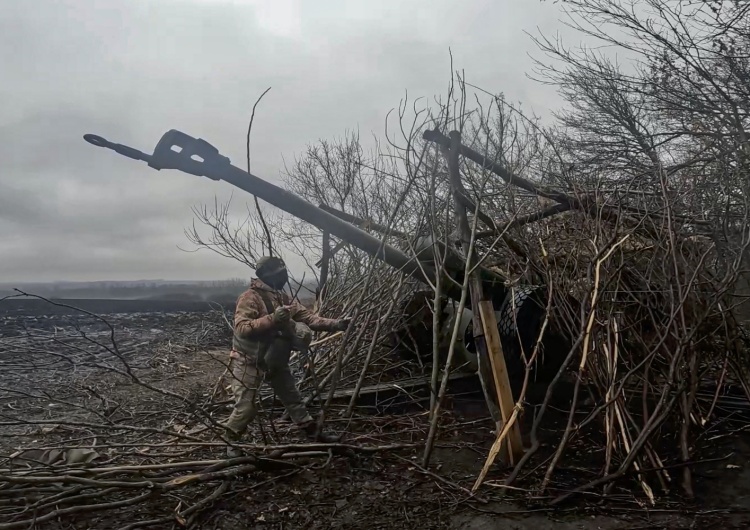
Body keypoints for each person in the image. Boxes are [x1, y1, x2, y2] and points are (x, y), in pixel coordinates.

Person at [223, 255, 350, 457]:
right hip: (248, 361)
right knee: (246, 407)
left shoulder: (282, 298)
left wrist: (336, 324)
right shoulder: (250, 297)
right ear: (266, 276)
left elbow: (308, 318)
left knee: (292, 398)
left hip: (274, 360)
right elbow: (242, 328)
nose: (282, 277)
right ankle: (231, 442)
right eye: (278, 274)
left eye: (283, 272)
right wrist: (272, 319)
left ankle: (312, 432)